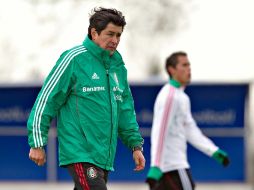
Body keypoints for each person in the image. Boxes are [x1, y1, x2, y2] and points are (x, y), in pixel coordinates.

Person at [27, 7, 145, 190]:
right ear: (94, 33)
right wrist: (37, 143)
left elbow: (125, 110)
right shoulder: (73, 59)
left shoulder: (118, 66)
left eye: (119, 35)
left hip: (104, 156)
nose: (115, 41)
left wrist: (135, 145)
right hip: (80, 151)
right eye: (110, 34)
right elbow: (46, 100)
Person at [146, 51, 230, 190]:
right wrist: (156, 166)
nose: (188, 68)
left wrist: (213, 151)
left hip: (174, 167)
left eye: (189, 65)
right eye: (184, 65)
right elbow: (160, 131)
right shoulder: (170, 96)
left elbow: (190, 129)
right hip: (171, 168)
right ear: (171, 70)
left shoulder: (182, 97)